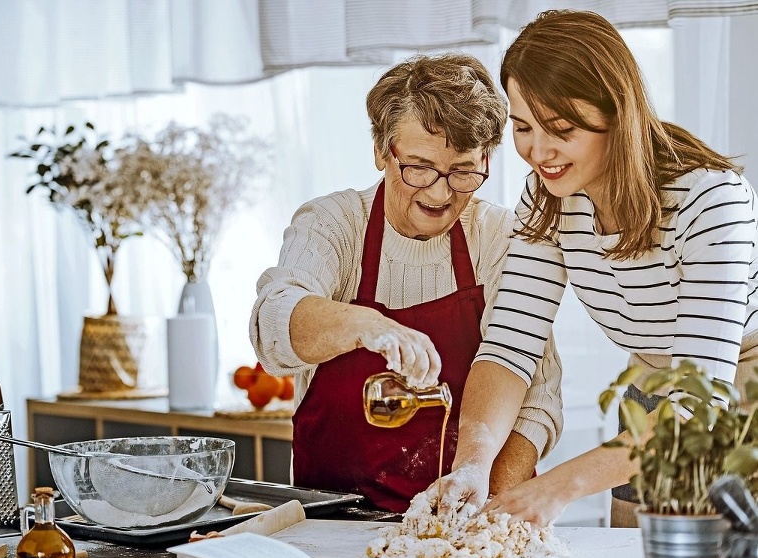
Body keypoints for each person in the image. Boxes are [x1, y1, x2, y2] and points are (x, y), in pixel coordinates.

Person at [436, 9, 758, 527]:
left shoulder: (711, 198)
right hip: (653, 394)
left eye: (561, 128)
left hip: (739, 396)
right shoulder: (548, 201)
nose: (539, 152)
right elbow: (510, 346)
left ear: (618, 113)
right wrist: (473, 463)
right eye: (522, 127)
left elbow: (703, 399)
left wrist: (557, 487)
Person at [249, 53, 563, 513]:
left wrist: (483, 509)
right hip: (336, 525)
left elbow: (537, 398)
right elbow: (272, 327)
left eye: (462, 171)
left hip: (469, 524)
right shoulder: (334, 223)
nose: (439, 193)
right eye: (418, 167)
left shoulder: (500, 237)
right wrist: (364, 324)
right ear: (381, 150)